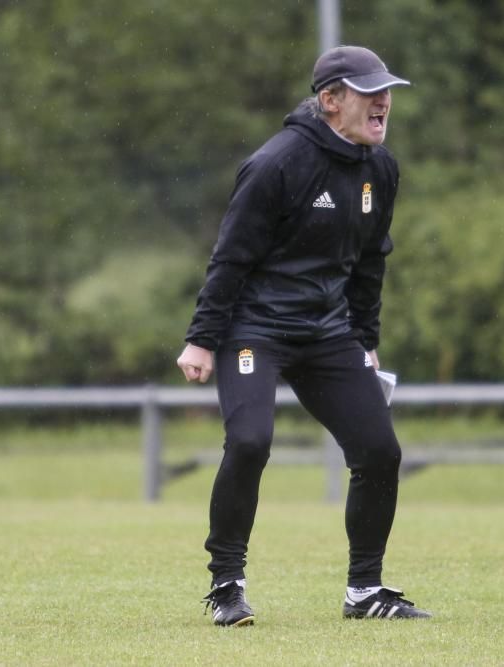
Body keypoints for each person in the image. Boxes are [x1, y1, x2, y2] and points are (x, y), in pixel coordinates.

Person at [177, 45, 431, 626]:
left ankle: (365, 592)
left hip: (327, 332)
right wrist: (201, 338)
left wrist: (365, 340)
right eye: (369, 92)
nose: (384, 102)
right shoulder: (276, 164)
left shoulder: (380, 168)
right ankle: (226, 584)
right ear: (330, 100)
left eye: (386, 91)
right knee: (249, 443)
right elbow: (230, 259)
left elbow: (371, 264)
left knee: (379, 451)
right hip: (253, 328)